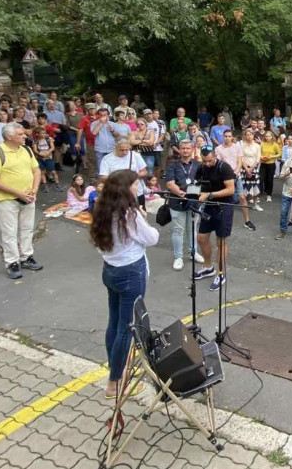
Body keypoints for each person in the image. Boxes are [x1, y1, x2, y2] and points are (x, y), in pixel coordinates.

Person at [89, 169, 158, 400]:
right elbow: (151, 238)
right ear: (125, 189)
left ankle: (116, 369)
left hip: (110, 270)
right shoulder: (129, 214)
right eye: (135, 185)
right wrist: (144, 219)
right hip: (130, 272)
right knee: (126, 329)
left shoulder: (101, 208)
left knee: (115, 323)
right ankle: (115, 382)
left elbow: (101, 244)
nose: (138, 188)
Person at [0, 123, 42, 279]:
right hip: (7, 200)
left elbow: (36, 171)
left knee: (27, 229)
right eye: (20, 134)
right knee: (9, 232)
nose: (25, 136)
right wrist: (18, 193)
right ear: (9, 137)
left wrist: (34, 190)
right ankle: (12, 262)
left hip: (28, 197)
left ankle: (26, 257)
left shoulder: (27, 150)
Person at [193, 145, 236, 291]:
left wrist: (209, 194)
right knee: (201, 238)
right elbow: (197, 184)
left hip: (224, 206)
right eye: (204, 161)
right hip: (209, 206)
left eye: (210, 161)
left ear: (215, 157)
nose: (207, 164)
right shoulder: (201, 168)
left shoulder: (224, 167)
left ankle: (221, 273)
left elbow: (231, 189)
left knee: (221, 241)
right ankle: (207, 267)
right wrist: (191, 194)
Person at [164, 140, 204, 271]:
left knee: (192, 229)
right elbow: (170, 184)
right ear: (179, 150)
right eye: (183, 148)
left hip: (195, 203)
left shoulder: (198, 165)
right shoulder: (173, 165)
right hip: (177, 202)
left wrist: (198, 196)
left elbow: (203, 183)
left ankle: (193, 252)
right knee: (178, 230)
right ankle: (178, 257)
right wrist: (183, 195)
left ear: (192, 149)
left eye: (188, 148)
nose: (185, 151)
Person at [215, 129, 256, 231]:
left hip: (236, 175)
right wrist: (228, 176)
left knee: (242, 197)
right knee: (223, 198)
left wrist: (235, 174)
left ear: (232, 137)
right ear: (223, 137)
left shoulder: (237, 147)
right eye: (225, 136)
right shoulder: (218, 149)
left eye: (229, 136)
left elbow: (239, 162)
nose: (227, 138)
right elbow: (219, 163)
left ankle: (247, 221)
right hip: (224, 177)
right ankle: (220, 220)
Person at [91, 107, 129, 179]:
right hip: (100, 149)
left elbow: (117, 135)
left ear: (108, 115)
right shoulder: (94, 123)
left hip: (111, 148)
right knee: (100, 168)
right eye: (101, 115)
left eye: (105, 115)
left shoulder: (113, 124)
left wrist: (112, 131)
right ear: (98, 115)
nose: (103, 117)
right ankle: (101, 185)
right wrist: (101, 123)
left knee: (113, 167)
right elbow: (94, 133)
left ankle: (112, 183)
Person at [259, 131, 280, 202]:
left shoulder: (275, 145)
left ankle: (269, 194)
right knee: (261, 178)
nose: (268, 137)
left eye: (269, 136)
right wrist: (261, 156)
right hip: (263, 163)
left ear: (272, 137)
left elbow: (279, 154)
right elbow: (258, 152)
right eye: (266, 136)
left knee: (270, 179)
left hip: (271, 164)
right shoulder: (262, 144)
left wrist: (272, 156)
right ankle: (262, 191)